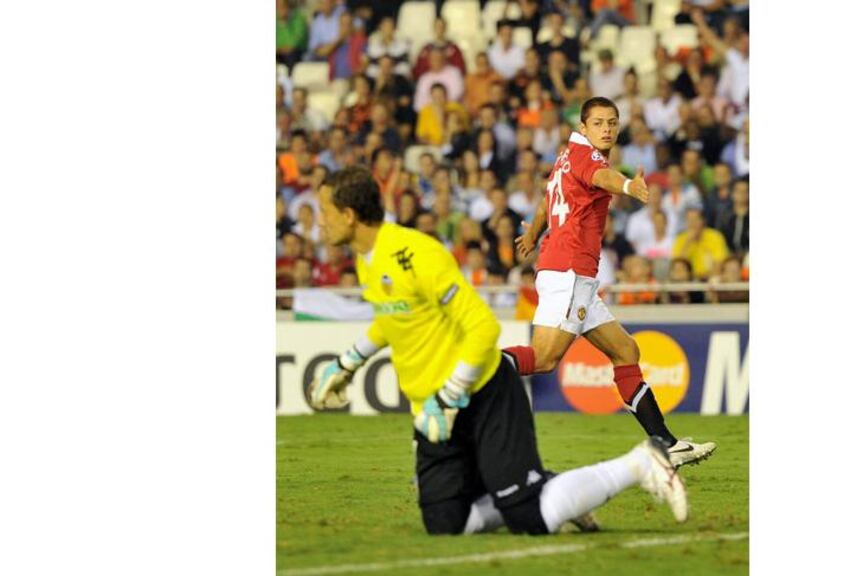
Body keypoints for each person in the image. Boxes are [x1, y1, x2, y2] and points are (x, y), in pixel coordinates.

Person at [309, 166, 690, 535]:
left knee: (529, 516)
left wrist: (450, 394)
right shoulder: (367, 261)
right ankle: (561, 491)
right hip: (432, 404)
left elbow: (482, 326)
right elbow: (393, 316)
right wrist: (348, 362)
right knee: (446, 523)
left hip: (479, 389)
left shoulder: (414, 254)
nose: (319, 222)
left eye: (324, 212)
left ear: (349, 215)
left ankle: (640, 463)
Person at [507, 97, 717, 467]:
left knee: (626, 351)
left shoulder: (565, 155)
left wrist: (534, 233)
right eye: (599, 123)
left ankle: (665, 444)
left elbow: (545, 201)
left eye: (612, 122)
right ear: (583, 128)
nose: (607, 129)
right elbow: (603, 177)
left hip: (575, 277)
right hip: (569, 273)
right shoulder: (590, 159)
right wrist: (628, 188)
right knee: (542, 360)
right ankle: (461, 373)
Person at [671, 208, 730, 279]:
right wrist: (687, 243)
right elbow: (677, 268)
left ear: (703, 221)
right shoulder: (680, 239)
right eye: (689, 220)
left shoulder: (715, 236)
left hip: (709, 280)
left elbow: (720, 265)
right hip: (687, 281)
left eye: (695, 219)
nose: (692, 223)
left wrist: (702, 277)